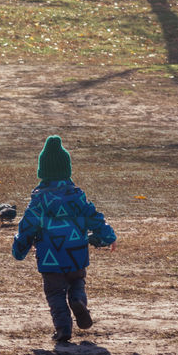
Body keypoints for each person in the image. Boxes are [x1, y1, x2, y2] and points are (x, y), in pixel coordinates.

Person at [12, 136, 117, 343]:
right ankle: (78, 301)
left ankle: (63, 329)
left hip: (50, 258)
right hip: (77, 254)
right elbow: (95, 219)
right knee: (77, 282)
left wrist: (19, 249)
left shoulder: (39, 201)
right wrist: (108, 236)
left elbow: (27, 228)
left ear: (42, 172)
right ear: (67, 170)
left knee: (55, 293)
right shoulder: (78, 197)